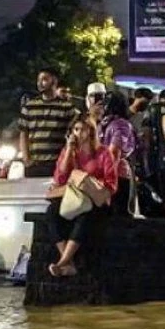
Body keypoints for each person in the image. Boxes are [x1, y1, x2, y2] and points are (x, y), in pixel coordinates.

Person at [46, 115, 118, 278]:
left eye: (82, 129)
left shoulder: (103, 153)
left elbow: (111, 183)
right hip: (72, 197)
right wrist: (69, 151)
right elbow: (60, 179)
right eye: (75, 129)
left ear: (91, 131)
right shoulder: (68, 152)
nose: (79, 133)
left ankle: (62, 262)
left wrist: (89, 182)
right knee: (51, 212)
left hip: (95, 199)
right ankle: (68, 262)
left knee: (85, 215)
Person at [19, 67, 79, 177]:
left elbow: (73, 134)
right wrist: (26, 159)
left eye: (44, 79)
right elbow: (23, 134)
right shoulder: (29, 107)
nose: (40, 83)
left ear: (54, 81)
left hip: (57, 163)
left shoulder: (66, 107)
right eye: (38, 80)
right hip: (34, 164)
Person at [97, 91, 137, 217]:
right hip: (105, 174)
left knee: (118, 215)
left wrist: (107, 181)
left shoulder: (120, 124)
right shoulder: (104, 124)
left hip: (117, 175)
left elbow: (114, 153)